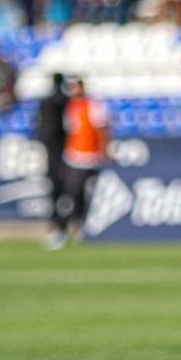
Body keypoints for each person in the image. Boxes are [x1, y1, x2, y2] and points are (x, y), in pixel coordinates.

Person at [57, 78, 110, 240]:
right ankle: (65, 228)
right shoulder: (71, 107)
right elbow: (70, 132)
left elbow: (102, 130)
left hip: (90, 157)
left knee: (85, 194)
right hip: (74, 156)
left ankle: (79, 227)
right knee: (71, 194)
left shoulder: (93, 105)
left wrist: (104, 151)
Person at [38, 73, 71, 251]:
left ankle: (56, 226)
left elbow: (39, 124)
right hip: (63, 149)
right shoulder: (65, 100)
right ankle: (59, 226)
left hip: (51, 147)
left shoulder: (46, 100)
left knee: (55, 187)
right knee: (62, 188)